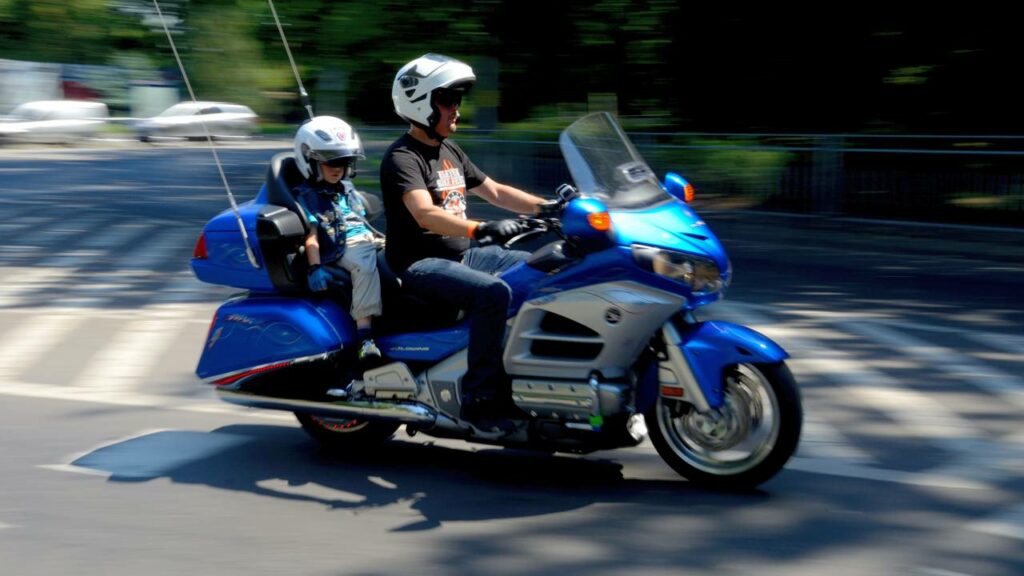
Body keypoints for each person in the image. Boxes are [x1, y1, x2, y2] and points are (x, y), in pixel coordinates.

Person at [380, 53, 558, 428]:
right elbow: (424, 214)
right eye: (448, 100)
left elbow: (495, 191)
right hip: (419, 265)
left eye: (457, 100)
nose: (457, 109)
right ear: (421, 103)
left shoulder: (449, 150)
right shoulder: (402, 158)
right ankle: (481, 398)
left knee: (540, 267)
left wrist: (551, 209)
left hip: (462, 257)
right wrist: (479, 229)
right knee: (493, 294)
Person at [293, 115, 383, 367]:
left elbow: (362, 217)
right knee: (364, 267)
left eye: (343, 161)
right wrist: (315, 267)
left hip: (366, 238)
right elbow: (311, 234)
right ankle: (365, 337)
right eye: (330, 161)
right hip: (342, 247)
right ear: (310, 160)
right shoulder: (308, 196)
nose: (337, 167)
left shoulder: (346, 189)